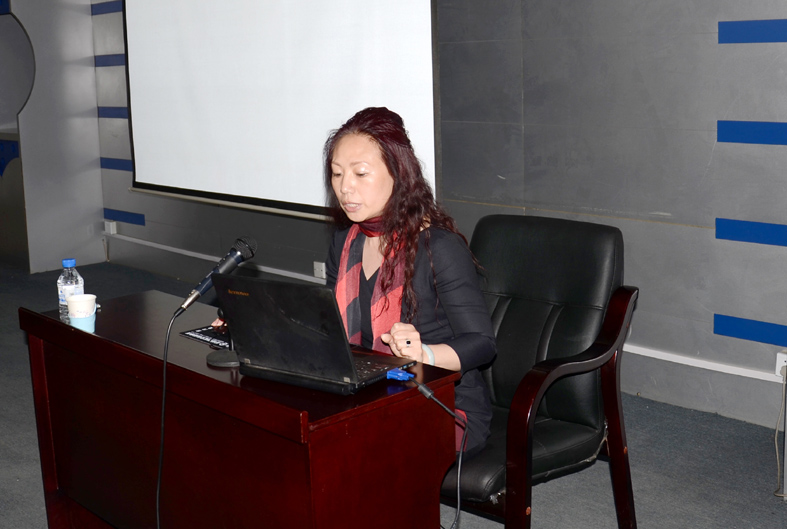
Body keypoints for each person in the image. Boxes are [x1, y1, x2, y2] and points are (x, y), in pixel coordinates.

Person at [323, 107, 496, 455]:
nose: (344, 187)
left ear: (398, 173)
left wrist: (423, 354)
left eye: (360, 173)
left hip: (442, 403)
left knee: (348, 451)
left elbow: (482, 344)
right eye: (337, 173)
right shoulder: (344, 242)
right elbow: (329, 328)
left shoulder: (438, 247)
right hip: (368, 392)